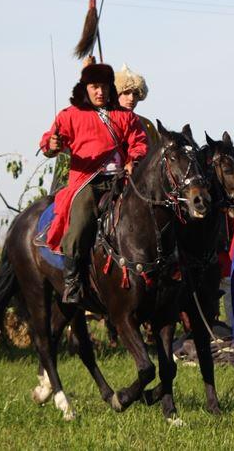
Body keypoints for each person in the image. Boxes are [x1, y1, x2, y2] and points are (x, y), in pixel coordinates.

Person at [40, 61, 148, 304]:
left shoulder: (124, 116)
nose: (100, 92)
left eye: (104, 87)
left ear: (111, 88)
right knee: (80, 224)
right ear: (85, 88)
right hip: (87, 182)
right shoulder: (70, 115)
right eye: (94, 87)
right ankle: (72, 282)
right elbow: (49, 141)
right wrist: (51, 146)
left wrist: (135, 159)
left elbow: (139, 142)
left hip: (121, 179)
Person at [114, 63, 160, 147]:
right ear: (116, 94)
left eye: (135, 94)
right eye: (126, 93)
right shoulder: (105, 121)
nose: (131, 98)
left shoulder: (147, 124)